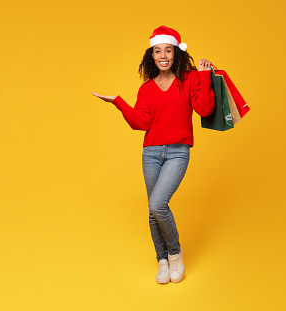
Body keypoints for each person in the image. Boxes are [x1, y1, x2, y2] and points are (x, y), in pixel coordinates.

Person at [92, 25, 215, 284]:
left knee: (158, 204)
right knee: (153, 210)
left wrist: (204, 77)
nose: (163, 55)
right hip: (150, 152)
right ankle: (161, 260)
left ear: (176, 54)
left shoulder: (190, 78)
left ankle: (174, 253)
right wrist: (118, 102)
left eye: (167, 50)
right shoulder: (146, 89)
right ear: (151, 56)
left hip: (177, 152)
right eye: (157, 51)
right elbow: (141, 122)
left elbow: (204, 109)